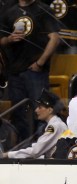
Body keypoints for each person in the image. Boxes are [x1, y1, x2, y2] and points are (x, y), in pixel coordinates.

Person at [0, 0, 60, 142]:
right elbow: (1, 40)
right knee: (18, 113)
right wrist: (9, 39)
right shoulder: (8, 9)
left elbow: (55, 38)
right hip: (14, 71)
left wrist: (40, 63)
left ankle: (42, 147)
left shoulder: (43, 9)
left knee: (41, 110)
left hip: (36, 71)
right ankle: (23, 149)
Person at [1, 89, 67, 159]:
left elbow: (35, 151)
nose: (36, 110)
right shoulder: (55, 124)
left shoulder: (55, 126)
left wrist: (7, 155)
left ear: (50, 110)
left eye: (40, 107)